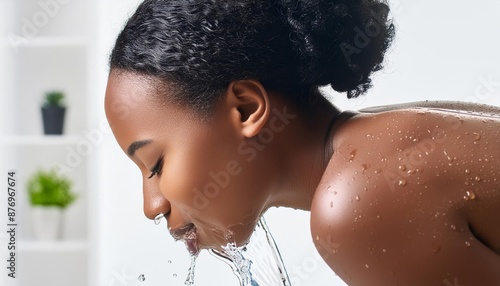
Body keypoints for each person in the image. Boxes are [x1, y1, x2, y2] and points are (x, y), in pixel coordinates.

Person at [104, 0, 500, 285]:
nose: (151, 206)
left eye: (155, 164)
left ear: (246, 109)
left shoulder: (356, 201)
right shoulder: (379, 145)